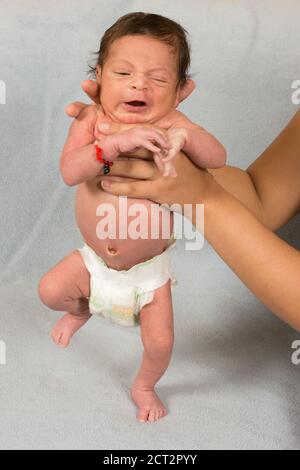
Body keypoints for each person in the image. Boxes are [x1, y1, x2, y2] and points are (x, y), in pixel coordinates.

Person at [38, 12, 226, 424]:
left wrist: (189, 137)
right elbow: (71, 172)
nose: (139, 84)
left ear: (181, 91)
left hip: (147, 273)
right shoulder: (93, 121)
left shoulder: (173, 123)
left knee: (160, 342)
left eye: (158, 79)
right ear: (99, 78)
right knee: (50, 290)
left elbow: (219, 159)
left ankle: (143, 386)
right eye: (124, 72)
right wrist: (113, 144)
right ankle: (80, 310)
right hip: (93, 262)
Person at [67, 81, 300, 334]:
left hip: (151, 283)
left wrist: (203, 199)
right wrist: (135, 140)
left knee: (159, 343)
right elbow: (261, 197)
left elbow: (207, 190)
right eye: (123, 73)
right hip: (95, 270)